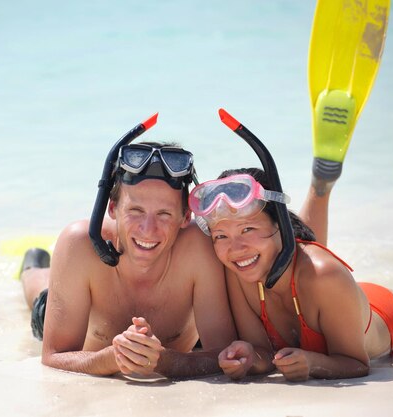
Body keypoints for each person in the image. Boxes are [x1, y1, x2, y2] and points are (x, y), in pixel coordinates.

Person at [188, 114, 393, 381]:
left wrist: (312, 363)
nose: (236, 248)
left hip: (388, 317)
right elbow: (264, 353)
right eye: (220, 236)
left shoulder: (326, 275)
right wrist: (250, 357)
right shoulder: (238, 271)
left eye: (248, 229)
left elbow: (357, 364)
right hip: (343, 302)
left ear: (281, 223)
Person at [19, 125, 236, 378]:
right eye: (135, 211)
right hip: (83, 339)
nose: (148, 229)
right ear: (112, 208)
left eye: (164, 214)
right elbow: (53, 355)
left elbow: (223, 355)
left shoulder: (199, 248)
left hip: (180, 348)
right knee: (41, 295)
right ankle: (32, 265)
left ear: (186, 216)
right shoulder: (79, 243)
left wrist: (164, 360)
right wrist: (110, 359)